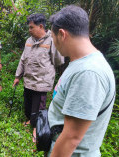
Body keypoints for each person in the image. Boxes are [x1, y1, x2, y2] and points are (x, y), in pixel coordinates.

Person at [48, 5, 115, 157]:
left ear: (62, 34)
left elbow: (71, 138)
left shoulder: (88, 73)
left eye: (53, 38)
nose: (54, 44)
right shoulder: (81, 63)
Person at [12, 13, 64, 142]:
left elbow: (58, 61)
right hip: (28, 80)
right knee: (28, 104)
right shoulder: (29, 41)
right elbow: (23, 59)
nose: (29, 30)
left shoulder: (52, 40)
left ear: (41, 26)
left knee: (39, 107)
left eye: (31, 27)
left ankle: (37, 128)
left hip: (42, 82)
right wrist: (18, 76)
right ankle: (30, 120)